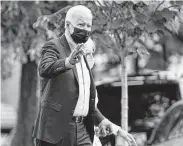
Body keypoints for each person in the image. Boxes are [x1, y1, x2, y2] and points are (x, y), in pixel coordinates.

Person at [32, 5, 136, 146]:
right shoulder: (53, 46)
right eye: (81, 24)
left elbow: (84, 99)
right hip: (55, 132)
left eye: (89, 26)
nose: (86, 29)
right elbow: (44, 68)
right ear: (68, 26)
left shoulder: (85, 54)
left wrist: (105, 122)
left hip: (82, 131)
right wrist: (68, 62)